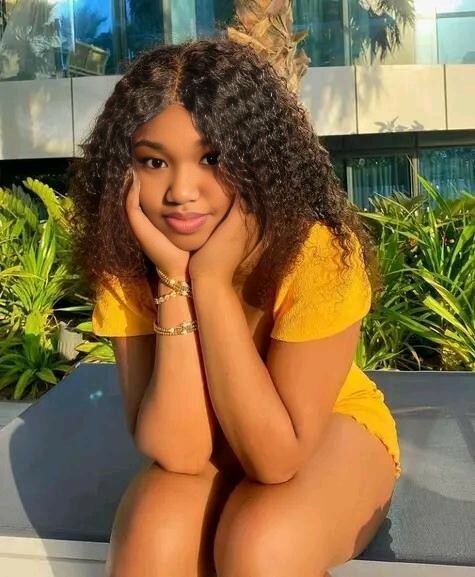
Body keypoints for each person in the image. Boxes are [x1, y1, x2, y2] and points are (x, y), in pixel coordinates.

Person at [69, 37, 401, 577]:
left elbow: (276, 459)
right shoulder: (126, 259)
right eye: (154, 161)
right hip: (209, 442)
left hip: (324, 428)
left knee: (262, 546)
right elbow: (179, 451)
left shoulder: (314, 251)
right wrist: (175, 281)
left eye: (211, 158)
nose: (181, 190)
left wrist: (211, 282)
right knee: (152, 535)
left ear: (257, 160)